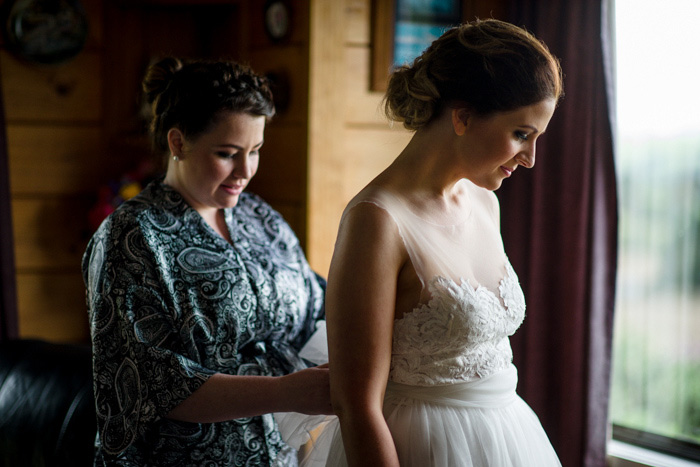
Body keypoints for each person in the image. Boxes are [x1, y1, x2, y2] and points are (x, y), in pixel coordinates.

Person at [313, 19, 563, 466]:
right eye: (521, 134)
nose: (530, 159)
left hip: (507, 438)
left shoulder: (486, 203)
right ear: (463, 116)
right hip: (421, 445)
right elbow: (355, 405)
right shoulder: (376, 221)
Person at [82, 57, 332, 466]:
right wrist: (288, 391)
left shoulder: (261, 218)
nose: (246, 170)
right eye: (227, 153)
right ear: (178, 142)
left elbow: (318, 305)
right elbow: (152, 382)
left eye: (255, 150)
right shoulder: (132, 236)